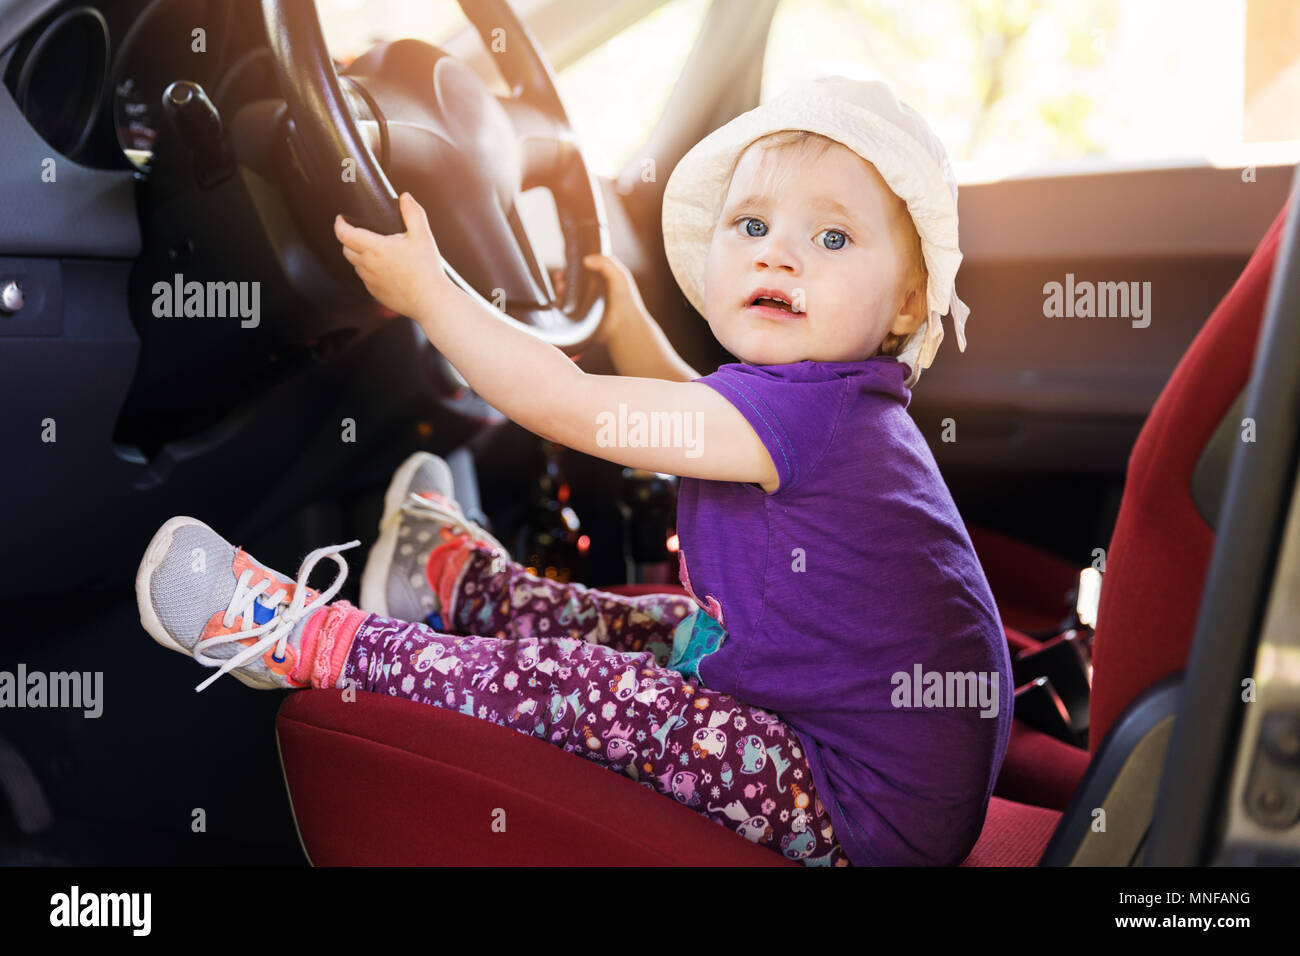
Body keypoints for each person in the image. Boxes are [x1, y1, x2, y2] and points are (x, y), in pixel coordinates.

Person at [136, 76, 1011, 867]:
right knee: (659, 627)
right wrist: (624, 320)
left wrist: (433, 292)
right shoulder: (827, 406)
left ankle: (308, 642)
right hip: (860, 750)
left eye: (831, 236)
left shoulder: (813, 414)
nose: (778, 254)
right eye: (751, 225)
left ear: (907, 300)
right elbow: (676, 401)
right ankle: (459, 584)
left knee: (598, 689)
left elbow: (570, 407)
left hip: (856, 805)